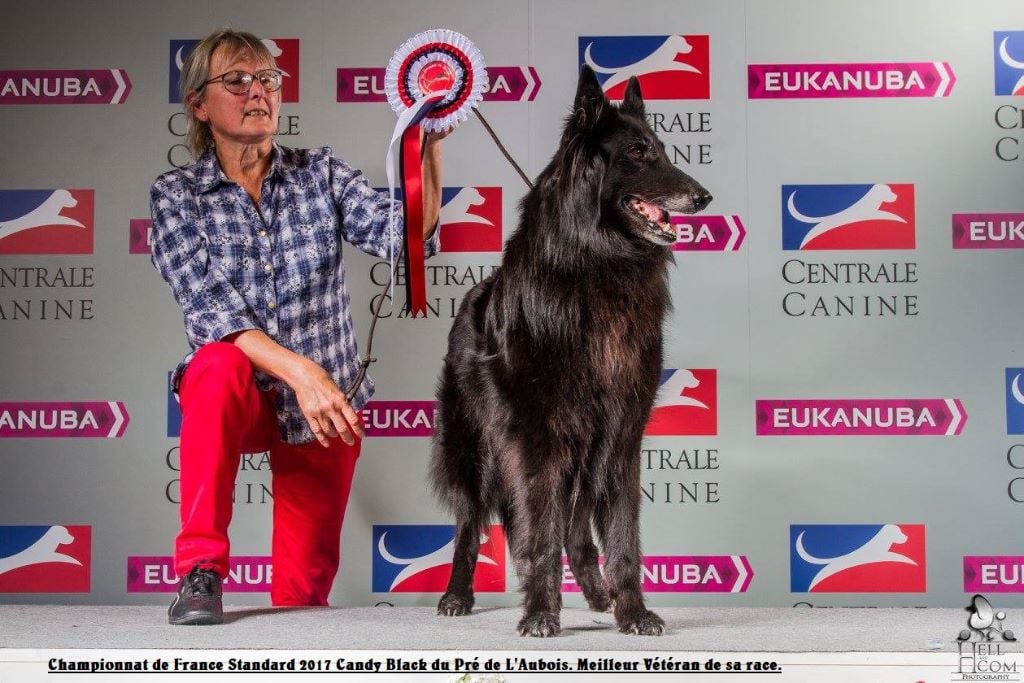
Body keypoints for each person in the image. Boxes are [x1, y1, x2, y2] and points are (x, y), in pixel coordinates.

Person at [150, 28, 445, 625]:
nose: (258, 92)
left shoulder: (321, 172)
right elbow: (213, 312)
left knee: (302, 601)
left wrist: (430, 146)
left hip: (326, 408)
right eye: (236, 80)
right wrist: (300, 371)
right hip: (251, 394)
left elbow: (405, 241)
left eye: (268, 79)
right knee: (214, 366)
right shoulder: (175, 196)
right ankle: (200, 573)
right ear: (200, 106)